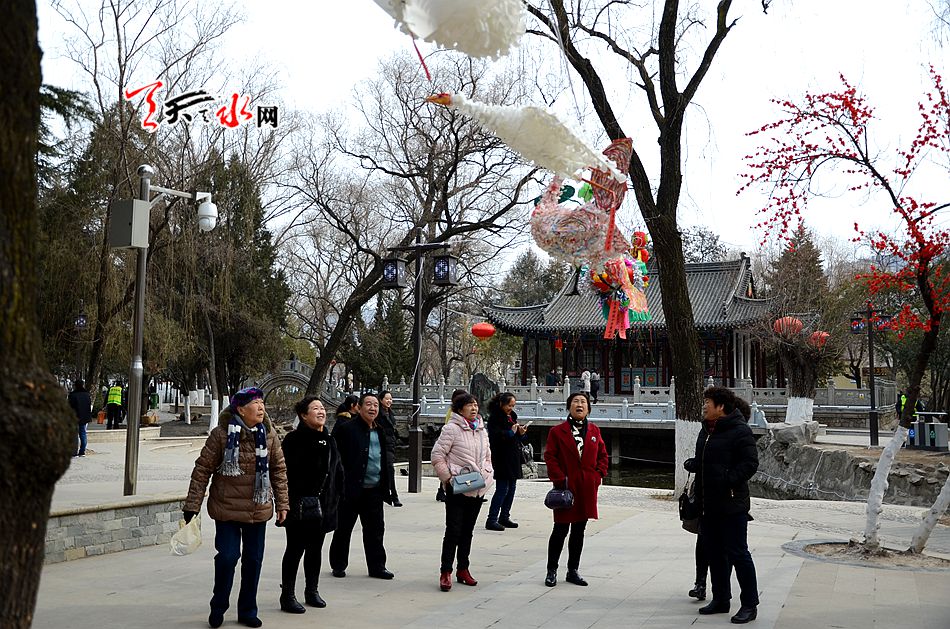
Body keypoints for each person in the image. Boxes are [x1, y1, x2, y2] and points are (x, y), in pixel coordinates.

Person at [183, 387, 289, 629]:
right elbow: (202, 469)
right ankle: (218, 606)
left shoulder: (269, 435)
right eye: (255, 403)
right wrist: (193, 504)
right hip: (227, 508)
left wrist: (283, 503)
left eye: (262, 403)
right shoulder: (221, 434)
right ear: (241, 409)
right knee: (227, 558)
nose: (261, 407)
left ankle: (248, 610)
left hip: (257, 509)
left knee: (253, 561)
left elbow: (279, 470)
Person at [684, 386, 759, 624]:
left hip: (731, 504)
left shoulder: (740, 430)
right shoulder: (706, 430)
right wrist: (696, 464)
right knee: (714, 553)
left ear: (721, 406)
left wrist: (727, 479)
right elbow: (708, 459)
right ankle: (721, 599)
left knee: (738, 554)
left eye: (707, 402)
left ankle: (750, 604)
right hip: (708, 504)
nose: (704, 406)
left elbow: (750, 463)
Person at [278, 397, 343, 614]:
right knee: (295, 549)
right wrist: (286, 502)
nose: (321, 411)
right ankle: (287, 595)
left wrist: (338, 497)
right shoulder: (294, 440)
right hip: (299, 506)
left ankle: (312, 591)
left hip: (323, 506)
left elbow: (337, 472)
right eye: (315, 409)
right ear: (304, 415)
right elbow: (285, 474)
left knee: (315, 550)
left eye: (322, 408)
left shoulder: (330, 440)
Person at [543, 392, 608, 587]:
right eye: (575, 401)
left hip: (586, 487)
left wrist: (597, 475)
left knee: (579, 530)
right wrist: (559, 478)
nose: (580, 405)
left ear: (588, 408)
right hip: (566, 488)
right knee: (560, 529)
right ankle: (551, 570)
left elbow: (603, 455)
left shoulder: (594, 430)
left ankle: (573, 570)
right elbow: (550, 457)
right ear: (569, 406)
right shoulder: (557, 431)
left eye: (583, 402)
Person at [329, 393, 396, 580]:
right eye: (368, 404)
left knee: (375, 531)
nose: (373, 408)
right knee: (343, 529)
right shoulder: (347, 429)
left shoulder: (380, 430)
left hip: (374, 490)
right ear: (359, 407)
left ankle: (377, 567)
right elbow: (335, 457)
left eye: (375, 405)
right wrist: (340, 483)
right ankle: (338, 565)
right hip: (350, 489)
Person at [431, 393, 494, 592]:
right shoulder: (451, 429)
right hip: (458, 487)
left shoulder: (482, 429)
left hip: (478, 487)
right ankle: (446, 571)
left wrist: (487, 473)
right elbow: (437, 455)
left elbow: (488, 456)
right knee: (453, 530)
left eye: (475, 405)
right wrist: (448, 478)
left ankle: (463, 569)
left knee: (468, 531)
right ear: (460, 409)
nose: (474, 408)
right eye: (469, 405)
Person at [485, 392, 526, 531]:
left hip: (513, 456)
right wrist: (510, 432)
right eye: (509, 405)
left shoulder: (512, 416)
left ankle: (504, 516)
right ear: (501, 404)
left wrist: (520, 433)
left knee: (512, 488)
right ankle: (492, 519)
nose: (511, 408)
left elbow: (516, 438)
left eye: (513, 405)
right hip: (501, 457)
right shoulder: (495, 418)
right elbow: (495, 437)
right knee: (502, 489)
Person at [377, 391, 403, 507]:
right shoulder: (378, 413)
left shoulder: (390, 413)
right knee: (385, 469)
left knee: (389, 469)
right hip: (380, 444)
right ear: (381, 400)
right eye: (387, 399)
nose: (389, 401)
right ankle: (389, 494)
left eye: (391, 399)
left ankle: (393, 495)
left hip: (389, 445)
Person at [68, 379, 92, 457]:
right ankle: (82, 451)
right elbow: (89, 405)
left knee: (75, 434)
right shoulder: (87, 394)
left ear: (75, 386)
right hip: (84, 417)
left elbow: (69, 406)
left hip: (75, 417)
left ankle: (74, 452)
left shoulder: (72, 395)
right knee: (83, 433)